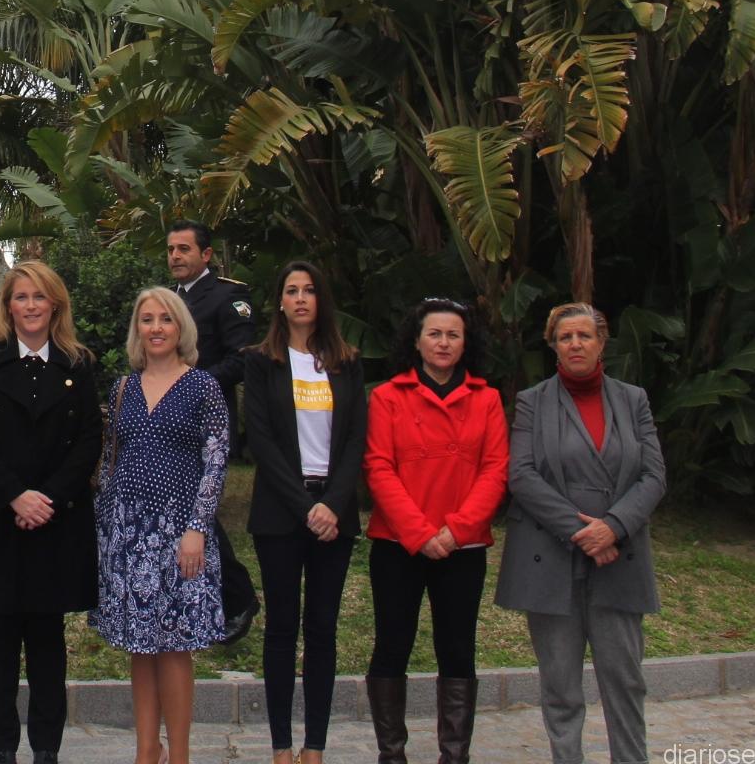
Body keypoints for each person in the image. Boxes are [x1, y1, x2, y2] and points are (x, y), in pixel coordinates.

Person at [0, 261, 101, 764]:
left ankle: (46, 748)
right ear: (8, 306)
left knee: (49, 640)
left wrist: (46, 498)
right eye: (21, 297)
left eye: (39, 297)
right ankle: (2, 749)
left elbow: (89, 439)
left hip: (55, 520)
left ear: (56, 305)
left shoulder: (77, 363)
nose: (30, 306)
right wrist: (15, 496)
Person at [495, 303, 665, 764]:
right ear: (553, 346)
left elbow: (653, 475)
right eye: (565, 337)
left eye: (584, 336)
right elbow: (522, 475)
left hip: (619, 557)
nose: (575, 344)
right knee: (560, 684)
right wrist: (581, 532)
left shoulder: (633, 399)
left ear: (601, 342)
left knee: (625, 679)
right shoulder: (533, 401)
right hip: (551, 556)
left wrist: (613, 527)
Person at [363, 298, 509, 764]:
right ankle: (392, 755)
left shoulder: (487, 399)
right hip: (398, 544)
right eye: (434, 333)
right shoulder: (387, 396)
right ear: (417, 340)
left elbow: (495, 470)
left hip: (462, 546)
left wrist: (456, 530)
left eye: (453, 335)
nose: (443, 343)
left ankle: (455, 755)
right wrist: (420, 532)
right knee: (392, 644)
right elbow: (378, 467)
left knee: (458, 648)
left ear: (466, 343)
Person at [91, 287, 228, 764]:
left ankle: (180, 754)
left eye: (165, 319)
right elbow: (109, 459)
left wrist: (197, 528)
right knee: (140, 645)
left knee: (173, 646)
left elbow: (216, 462)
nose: (156, 328)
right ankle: (146, 750)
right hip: (127, 532)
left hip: (179, 532)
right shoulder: (122, 388)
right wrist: (104, 529)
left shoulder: (202, 386)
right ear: (138, 329)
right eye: (147, 319)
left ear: (180, 327)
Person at [241, 260, 366, 764]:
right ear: (280, 301)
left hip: (334, 513)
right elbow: (260, 441)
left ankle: (314, 746)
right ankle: (280, 746)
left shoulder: (347, 361)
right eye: (291, 290)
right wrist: (304, 506)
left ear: (321, 300)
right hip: (280, 513)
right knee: (281, 629)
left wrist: (331, 504)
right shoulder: (261, 361)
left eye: (309, 290)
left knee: (321, 629)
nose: (300, 298)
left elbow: (356, 438)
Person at [164, 219, 260, 641]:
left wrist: (192, 386)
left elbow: (242, 359)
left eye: (184, 249)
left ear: (206, 255)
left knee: (197, 512)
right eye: (171, 249)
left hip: (207, 422)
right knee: (180, 510)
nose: (175, 256)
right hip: (168, 422)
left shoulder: (227, 296)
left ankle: (238, 598)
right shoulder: (168, 299)